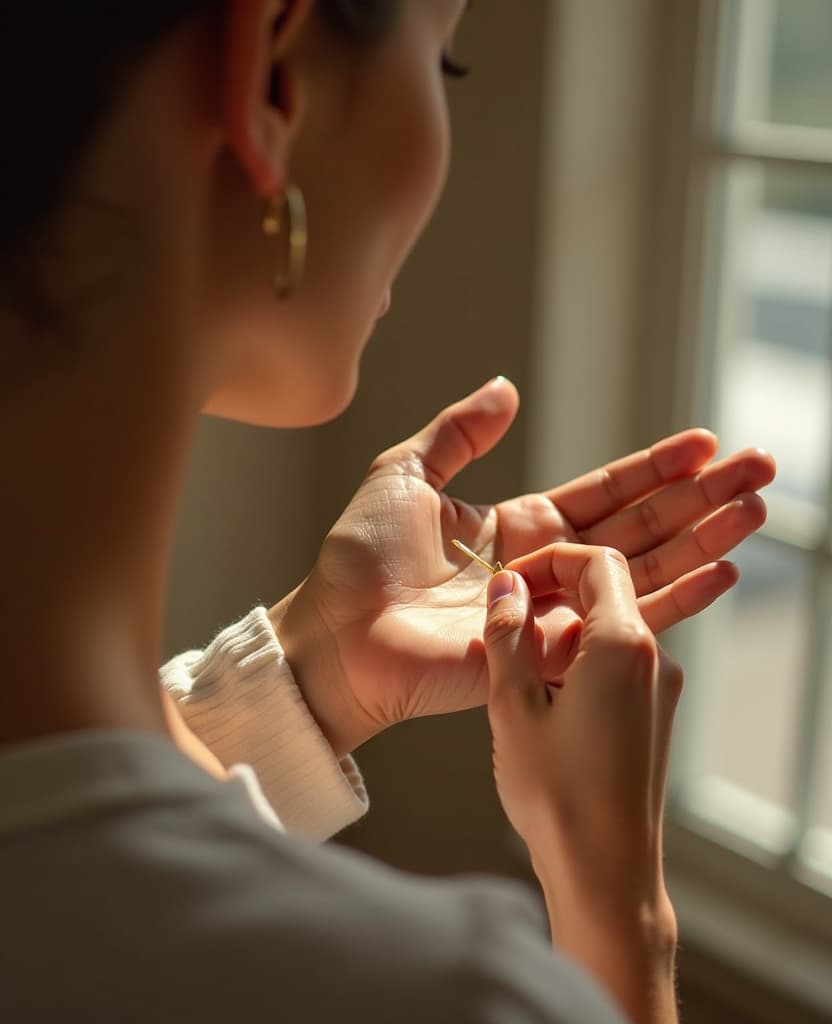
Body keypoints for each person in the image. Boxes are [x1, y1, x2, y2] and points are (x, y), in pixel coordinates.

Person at [0, 2, 775, 1022]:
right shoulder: (441, 995)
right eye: (443, 61)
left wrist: (311, 670)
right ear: (273, 76)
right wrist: (615, 910)